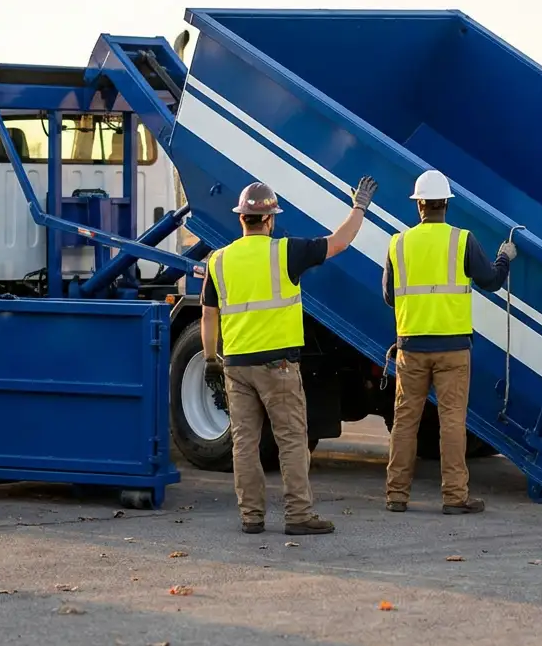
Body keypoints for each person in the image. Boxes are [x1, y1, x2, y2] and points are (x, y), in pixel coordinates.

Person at [200, 176, 378, 535]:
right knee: (292, 440)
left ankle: (251, 516)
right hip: (277, 365)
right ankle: (298, 515)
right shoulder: (286, 252)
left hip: (236, 367)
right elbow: (339, 242)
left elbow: (208, 315)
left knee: (245, 444)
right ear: (270, 220)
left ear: (241, 219)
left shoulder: (218, 261)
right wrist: (359, 207)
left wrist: (209, 360)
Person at [381, 169, 516, 514]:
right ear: (446, 205)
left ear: (419, 206)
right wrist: (505, 258)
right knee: (452, 421)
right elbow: (490, 281)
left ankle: (396, 495)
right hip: (453, 349)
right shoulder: (462, 240)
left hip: (411, 348)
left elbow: (388, 296)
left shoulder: (398, 243)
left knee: (405, 420)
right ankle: (455, 497)